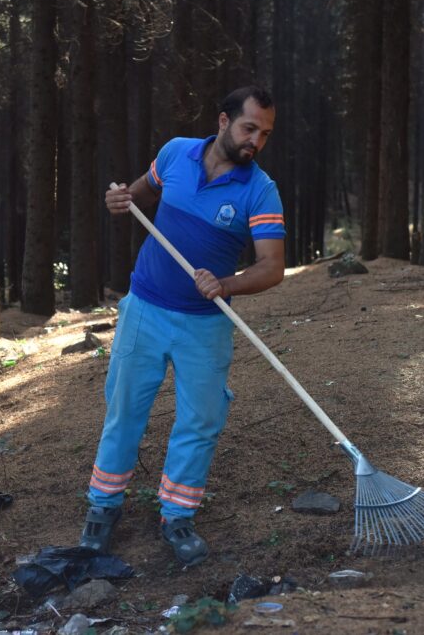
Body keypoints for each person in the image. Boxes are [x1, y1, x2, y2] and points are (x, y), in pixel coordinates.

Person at [79, 86, 286, 567]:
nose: (255, 140)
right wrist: (120, 200)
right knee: (124, 410)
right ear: (222, 121)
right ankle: (102, 509)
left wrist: (227, 282)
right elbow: (139, 195)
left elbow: (272, 266)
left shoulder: (260, 189)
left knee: (200, 421)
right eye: (248, 127)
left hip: (204, 325)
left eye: (265, 134)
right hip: (144, 310)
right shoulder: (175, 153)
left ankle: (177, 516)